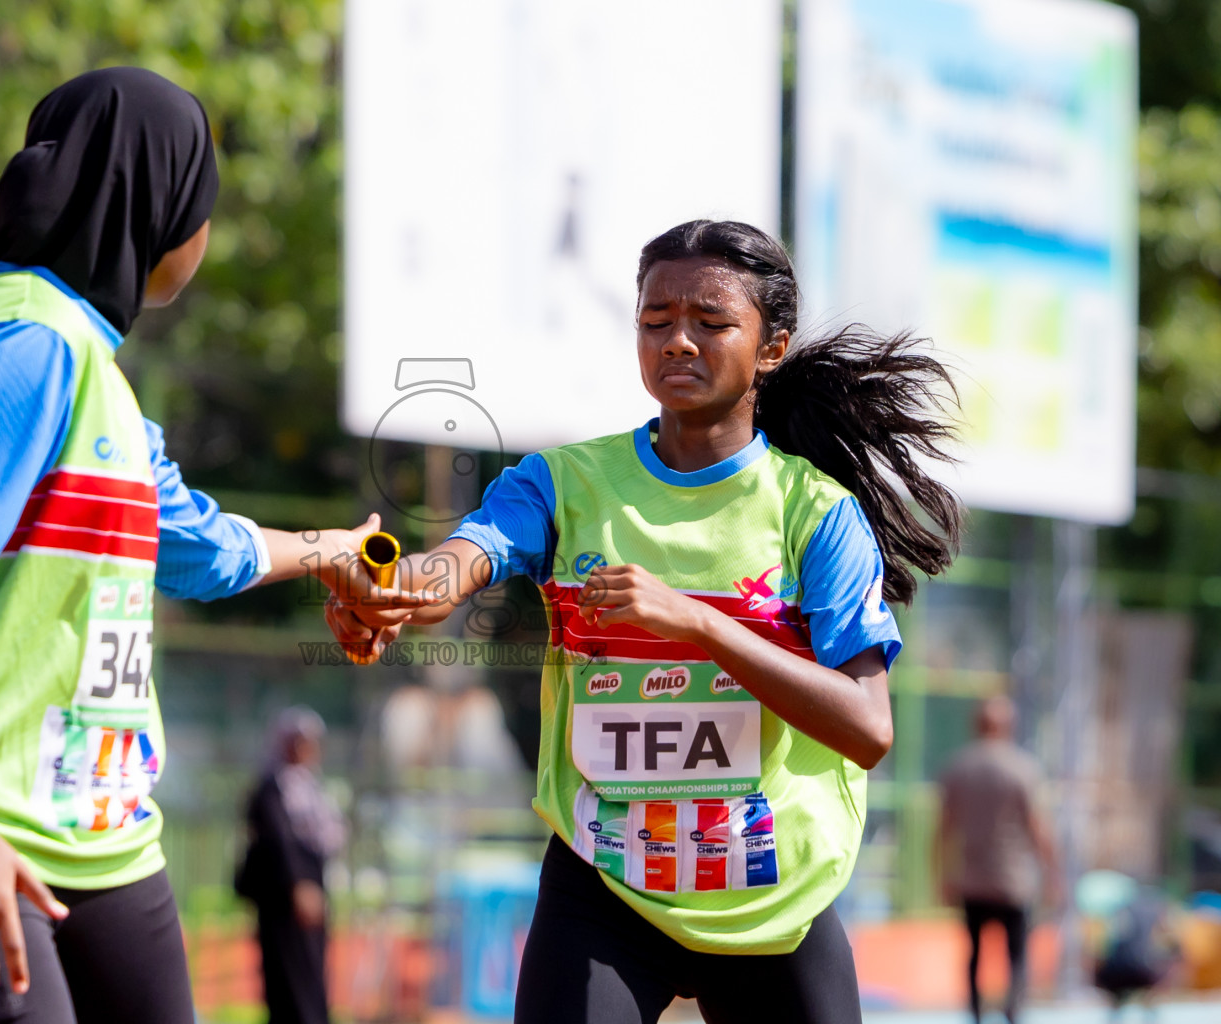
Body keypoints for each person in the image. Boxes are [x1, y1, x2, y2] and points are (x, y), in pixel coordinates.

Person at [0, 68, 415, 1024]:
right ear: (158, 205)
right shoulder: (26, 342)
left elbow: (195, 546)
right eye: (206, 205)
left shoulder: (96, 368)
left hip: (106, 848)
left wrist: (334, 551)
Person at [326, 219, 963, 1023]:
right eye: (656, 321)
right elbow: (463, 561)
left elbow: (868, 728)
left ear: (771, 348)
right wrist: (387, 585)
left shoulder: (815, 514)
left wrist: (699, 623)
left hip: (772, 896)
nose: (678, 343)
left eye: (711, 321)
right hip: (608, 882)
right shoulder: (564, 482)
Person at [935, 696, 1060, 1024]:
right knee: (1016, 956)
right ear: (1009, 725)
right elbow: (1038, 828)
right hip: (1013, 881)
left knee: (974, 954)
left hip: (972, 880)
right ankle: (1013, 1012)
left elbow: (942, 829)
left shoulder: (958, 767)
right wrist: (1053, 874)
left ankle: (976, 1014)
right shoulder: (1023, 768)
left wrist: (941, 875)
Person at [235, 707, 346, 1024]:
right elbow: (277, 841)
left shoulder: (311, 787)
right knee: (288, 976)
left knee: (312, 972)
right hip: (282, 899)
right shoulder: (271, 788)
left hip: (314, 890)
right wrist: (298, 885)